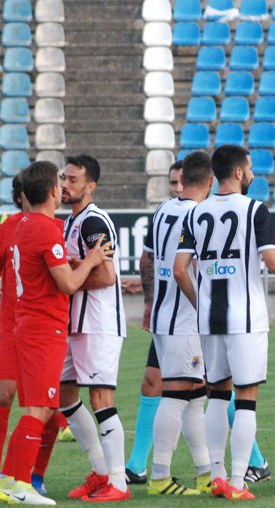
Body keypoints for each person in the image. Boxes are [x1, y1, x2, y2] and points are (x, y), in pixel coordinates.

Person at [173, 144, 275, 500]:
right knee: (246, 399)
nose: (252, 174)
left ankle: (218, 477)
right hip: (245, 317)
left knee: (217, 396)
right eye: (249, 168)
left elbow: (179, 270)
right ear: (238, 172)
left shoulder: (194, 213)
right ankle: (238, 482)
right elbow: (272, 259)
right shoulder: (254, 210)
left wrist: (200, 301)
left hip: (210, 318)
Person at [0, 160, 113, 506]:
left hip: (30, 324)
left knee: (37, 408)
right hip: (43, 327)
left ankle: (8, 481)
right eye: (60, 183)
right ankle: (23, 486)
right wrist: (90, 260)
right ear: (52, 192)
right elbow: (69, 284)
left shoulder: (25, 225)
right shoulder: (45, 229)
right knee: (40, 409)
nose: (63, 188)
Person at [54, 154, 132, 503]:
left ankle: (119, 482)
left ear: (90, 186)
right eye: (64, 179)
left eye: (73, 180)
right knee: (64, 395)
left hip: (99, 324)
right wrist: (77, 270)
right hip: (76, 324)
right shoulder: (72, 222)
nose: (65, 185)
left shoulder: (93, 221)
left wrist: (71, 276)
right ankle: (100, 469)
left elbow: (106, 275)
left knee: (101, 398)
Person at [144, 151, 213, 495]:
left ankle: (205, 471)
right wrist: (204, 309)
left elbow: (150, 259)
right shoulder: (199, 215)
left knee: (195, 396)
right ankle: (159, 476)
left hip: (163, 314)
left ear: (183, 180)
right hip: (184, 320)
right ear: (211, 181)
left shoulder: (162, 211)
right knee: (174, 396)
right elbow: (184, 269)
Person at [124, 160, 183, 485]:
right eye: (172, 183)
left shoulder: (205, 215)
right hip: (168, 315)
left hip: (196, 318)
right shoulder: (164, 214)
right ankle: (136, 465)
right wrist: (150, 298)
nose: (176, 189)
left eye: (182, 183)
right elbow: (150, 258)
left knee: (215, 390)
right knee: (152, 382)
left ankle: (255, 460)